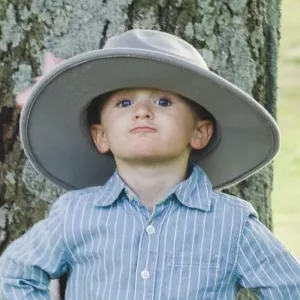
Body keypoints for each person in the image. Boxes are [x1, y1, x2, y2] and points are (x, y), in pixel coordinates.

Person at [0, 29, 299, 300]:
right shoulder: (76, 214)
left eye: (164, 102)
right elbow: (15, 273)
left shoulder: (231, 224)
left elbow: (290, 287)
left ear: (199, 132)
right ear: (101, 136)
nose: (142, 111)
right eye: (124, 103)